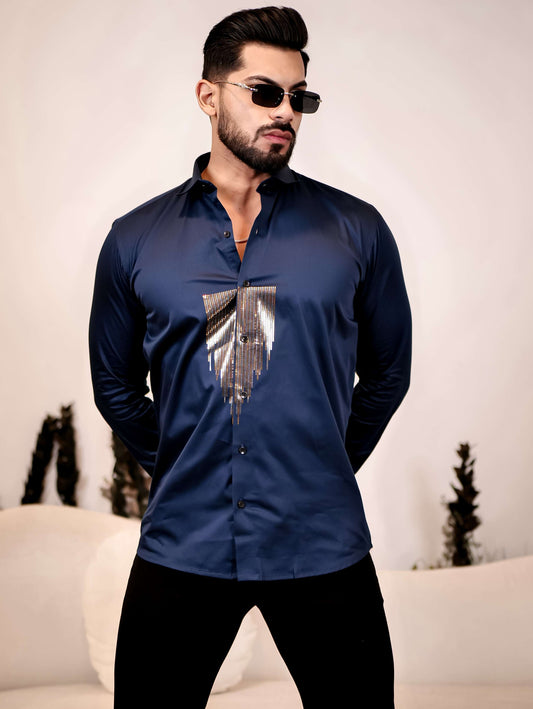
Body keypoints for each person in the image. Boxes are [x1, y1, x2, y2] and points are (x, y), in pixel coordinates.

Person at [89, 6, 411, 708]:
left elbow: (389, 371)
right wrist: (180, 462)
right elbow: (114, 383)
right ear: (209, 96)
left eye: (299, 98)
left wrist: (325, 460)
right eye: (264, 92)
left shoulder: (355, 229)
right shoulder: (135, 240)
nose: (285, 112)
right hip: (184, 541)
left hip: (320, 539)